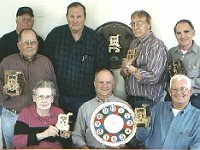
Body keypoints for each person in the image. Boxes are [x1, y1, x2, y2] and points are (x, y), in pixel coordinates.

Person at [44, 2, 108, 129]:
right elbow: (45, 65)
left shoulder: (95, 39)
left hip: (85, 99)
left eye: (78, 16)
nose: (75, 20)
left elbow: (102, 70)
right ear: (66, 16)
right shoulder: (55, 35)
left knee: (82, 135)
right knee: (58, 136)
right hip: (57, 98)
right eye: (72, 16)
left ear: (85, 17)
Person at [0, 28, 58, 149]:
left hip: (37, 117)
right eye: (26, 42)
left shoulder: (45, 62)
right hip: (12, 116)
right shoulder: (7, 62)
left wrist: (54, 115)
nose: (30, 45)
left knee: (35, 147)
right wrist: (7, 90)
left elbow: (54, 90)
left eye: (33, 42)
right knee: (12, 148)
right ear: (19, 45)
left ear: (38, 44)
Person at [135, 74, 200, 149]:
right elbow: (140, 139)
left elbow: (197, 146)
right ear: (170, 92)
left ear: (190, 91)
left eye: (183, 89)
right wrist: (144, 125)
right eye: (174, 89)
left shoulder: (198, 118)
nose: (178, 92)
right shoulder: (157, 108)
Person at [120, 10, 168, 109]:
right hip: (131, 99)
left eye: (139, 22)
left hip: (147, 102)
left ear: (149, 24)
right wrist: (125, 69)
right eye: (133, 23)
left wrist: (130, 67)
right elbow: (125, 74)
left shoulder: (156, 45)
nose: (135, 27)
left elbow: (154, 77)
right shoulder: (133, 44)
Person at [72, 69, 130, 149]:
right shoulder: (85, 107)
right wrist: (83, 147)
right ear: (95, 84)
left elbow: (133, 137)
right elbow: (77, 135)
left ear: (113, 84)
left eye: (108, 82)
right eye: (101, 82)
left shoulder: (125, 106)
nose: (104, 86)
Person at [13, 80, 70, 149]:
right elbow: (17, 141)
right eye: (40, 96)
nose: (44, 100)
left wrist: (65, 136)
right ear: (34, 98)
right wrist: (44, 134)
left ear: (52, 99)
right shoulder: (26, 113)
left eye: (48, 97)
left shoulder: (59, 113)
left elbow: (64, 142)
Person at [167, 19, 200, 109]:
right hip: (173, 98)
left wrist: (187, 83)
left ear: (193, 33)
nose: (183, 36)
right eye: (179, 33)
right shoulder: (171, 52)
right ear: (175, 35)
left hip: (195, 99)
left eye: (186, 31)